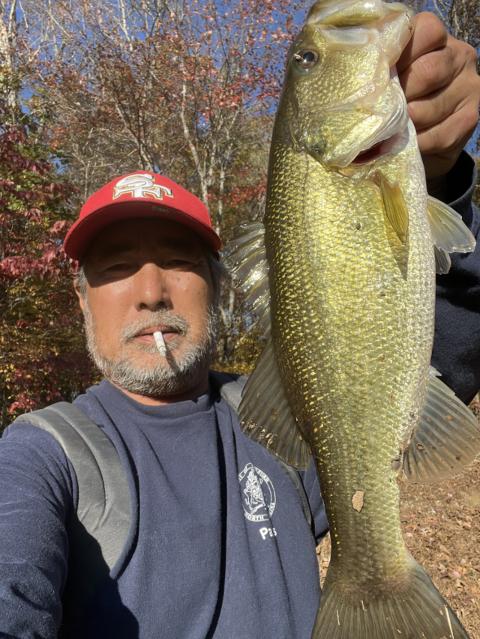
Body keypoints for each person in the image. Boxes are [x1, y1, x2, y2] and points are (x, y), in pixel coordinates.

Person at [0, 13, 479, 639]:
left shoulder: (280, 424)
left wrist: (444, 178)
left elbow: (448, 342)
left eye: (178, 261)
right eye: (116, 268)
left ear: (218, 283)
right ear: (82, 299)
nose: (151, 292)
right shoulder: (42, 455)